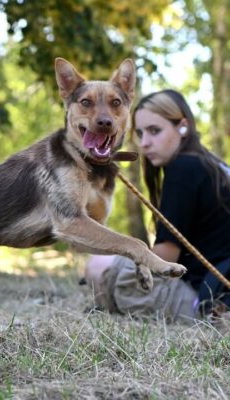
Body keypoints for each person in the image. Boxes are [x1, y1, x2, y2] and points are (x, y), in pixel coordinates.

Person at [84, 89, 230, 323]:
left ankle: (200, 314)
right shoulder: (212, 165)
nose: (144, 143)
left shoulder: (183, 169)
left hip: (210, 298)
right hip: (216, 285)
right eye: (140, 133)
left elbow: (165, 257)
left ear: (183, 126)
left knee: (97, 265)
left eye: (155, 131)